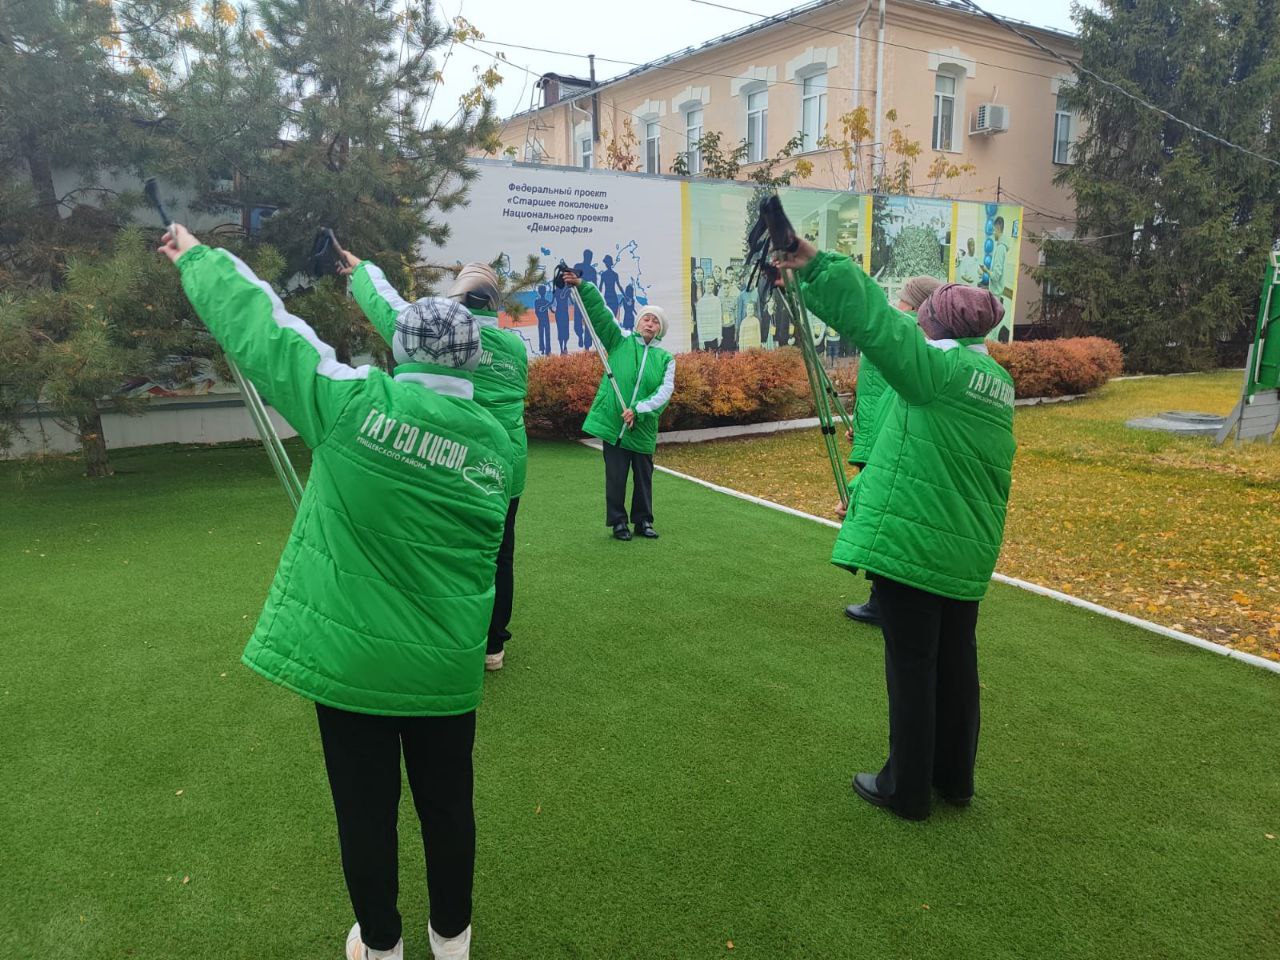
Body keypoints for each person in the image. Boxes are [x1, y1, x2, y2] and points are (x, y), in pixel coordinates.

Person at [158, 224, 513, 960]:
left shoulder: (353, 405)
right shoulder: (498, 450)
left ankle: (381, 945)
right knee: (449, 808)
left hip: (353, 666)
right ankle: (452, 943)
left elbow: (271, 334)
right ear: (476, 359)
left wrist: (198, 258)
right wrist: (366, 276)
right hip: (446, 670)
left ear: (399, 350)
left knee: (365, 814)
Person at [774, 238, 1015, 822]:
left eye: (921, 315)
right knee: (956, 665)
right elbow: (915, 455)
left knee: (912, 668)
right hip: (965, 549)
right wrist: (862, 498)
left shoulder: (937, 371)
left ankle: (905, 789)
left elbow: (877, 322)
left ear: (936, 325)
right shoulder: (992, 378)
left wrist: (815, 264)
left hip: (916, 546)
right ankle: (953, 779)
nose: (914, 321)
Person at [344, 255, 529, 674]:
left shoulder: (440, 330)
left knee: (435, 546)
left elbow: (385, 305)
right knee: (500, 553)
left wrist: (361, 268)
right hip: (505, 467)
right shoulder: (514, 346)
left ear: (457, 294)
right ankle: (492, 645)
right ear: (494, 301)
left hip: (449, 457)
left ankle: (434, 637)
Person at [842, 275, 942, 626]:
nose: (897, 302)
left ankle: (884, 602)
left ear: (914, 302)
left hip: (885, 437)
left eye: (902, 297)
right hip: (880, 430)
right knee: (886, 518)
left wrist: (870, 432)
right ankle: (885, 599)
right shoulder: (917, 334)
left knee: (883, 520)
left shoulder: (903, 331)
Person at [563, 270, 676, 540]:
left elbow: (665, 391)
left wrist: (638, 410)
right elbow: (600, 315)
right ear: (638, 322)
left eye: (656, 322)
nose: (650, 324)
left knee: (643, 476)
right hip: (615, 424)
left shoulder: (665, 359)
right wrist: (583, 286)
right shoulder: (619, 341)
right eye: (646, 318)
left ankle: (643, 521)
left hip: (642, 427)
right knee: (615, 476)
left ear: (660, 329)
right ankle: (618, 522)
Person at [533, 283, 553, 356]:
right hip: (543, 320)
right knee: (544, 335)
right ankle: (545, 349)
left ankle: (545, 349)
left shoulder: (543, 301)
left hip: (543, 320)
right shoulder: (541, 301)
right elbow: (536, 311)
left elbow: (536, 312)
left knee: (543, 335)